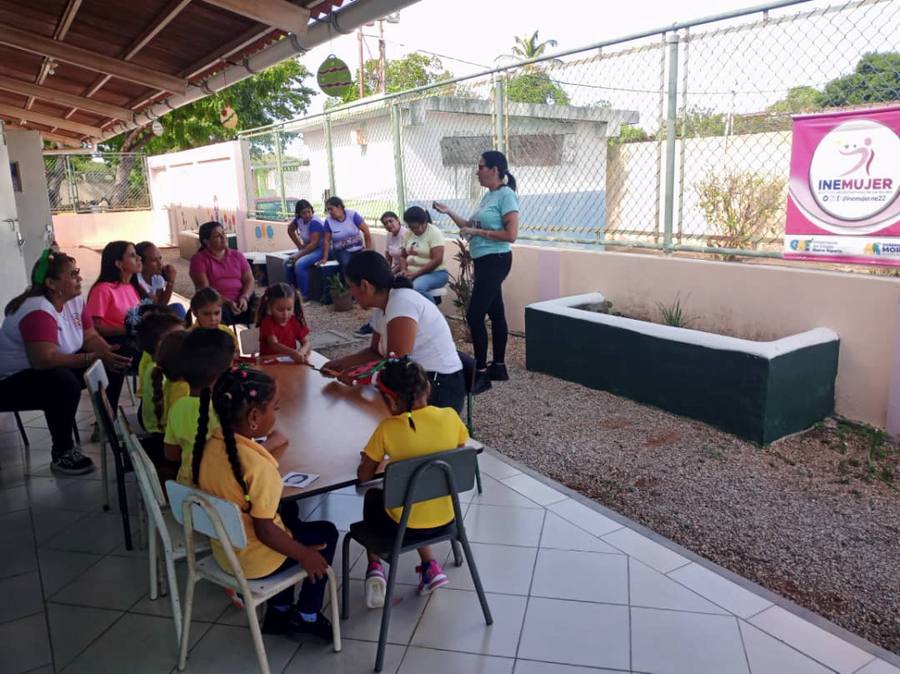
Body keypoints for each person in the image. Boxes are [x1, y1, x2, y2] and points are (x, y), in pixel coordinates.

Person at [193, 367, 338, 638]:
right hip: (256, 562)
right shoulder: (259, 469)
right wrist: (305, 555)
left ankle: (279, 612)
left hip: (225, 551)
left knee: (290, 509)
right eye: (276, 408)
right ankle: (307, 614)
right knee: (326, 533)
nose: (277, 414)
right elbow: (266, 531)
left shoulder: (209, 444)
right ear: (255, 417)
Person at [0, 249, 130, 474]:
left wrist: (106, 353)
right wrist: (91, 358)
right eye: (73, 274)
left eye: (77, 272)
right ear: (52, 283)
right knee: (62, 381)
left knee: (114, 363)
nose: (79, 278)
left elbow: (90, 336)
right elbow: (43, 360)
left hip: (44, 372)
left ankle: (107, 425)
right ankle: (62, 452)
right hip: (10, 382)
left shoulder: (74, 301)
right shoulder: (38, 310)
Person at [357, 356, 469, 607]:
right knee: (417, 496)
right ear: (427, 388)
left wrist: (374, 460)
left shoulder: (388, 428)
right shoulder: (451, 416)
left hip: (402, 529)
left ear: (389, 398)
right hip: (448, 519)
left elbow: (364, 478)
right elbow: (458, 454)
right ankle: (430, 566)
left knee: (373, 497)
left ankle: (375, 566)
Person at [322, 251, 465, 413]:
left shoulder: (401, 302)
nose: (351, 293)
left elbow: (396, 365)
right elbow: (375, 353)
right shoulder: (383, 307)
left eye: (350, 286)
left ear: (364, 286)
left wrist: (358, 375)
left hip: (437, 387)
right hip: (416, 382)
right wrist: (342, 363)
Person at [434, 150, 519, 392]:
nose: (477, 171)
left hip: (497, 259)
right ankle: (499, 367)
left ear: (494, 170)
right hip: (484, 260)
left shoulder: (506, 196)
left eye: (480, 166)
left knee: (474, 315)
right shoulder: (488, 197)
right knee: (496, 312)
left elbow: (511, 235)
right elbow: (468, 226)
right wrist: (448, 211)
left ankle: (480, 373)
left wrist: (478, 233)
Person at [163, 328, 234, 485]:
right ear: (226, 372)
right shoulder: (225, 411)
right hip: (220, 496)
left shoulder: (178, 406)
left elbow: (171, 454)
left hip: (186, 496)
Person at [85, 240, 146, 410]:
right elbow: (95, 327)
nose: (139, 258)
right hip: (114, 343)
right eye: (133, 255)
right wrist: (129, 329)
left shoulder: (132, 287)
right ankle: (107, 416)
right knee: (126, 355)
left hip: (134, 340)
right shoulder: (104, 289)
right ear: (119, 263)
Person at [134, 310, 185, 480]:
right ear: (161, 345)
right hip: (172, 451)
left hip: (157, 437)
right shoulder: (176, 380)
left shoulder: (153, 369)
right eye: (179, 337)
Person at [189, 221, 257, 325]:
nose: (224, 237)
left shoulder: (237, 256)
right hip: (218, 303)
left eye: (224, 233)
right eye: (218, 236)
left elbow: (249, 280)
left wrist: (244, 297)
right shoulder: (199, 259)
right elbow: (205, 290)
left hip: (242, 300)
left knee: (266, 307)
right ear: (206, 242)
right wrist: (227, 302)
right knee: (216, 313)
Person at [354, 211, 406, 338]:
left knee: (384, 291)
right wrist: (384, 270)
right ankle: (375, 323)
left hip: (405, 269)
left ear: (398, 220)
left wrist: (390, 273)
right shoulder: (389, 235)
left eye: (391, 221)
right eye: (385, 223)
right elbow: (388, 257)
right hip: (395, 269)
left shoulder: (405, 234)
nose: (389, 225)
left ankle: (375, 324)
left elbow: (405, 258)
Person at [400, 206, 449, 302]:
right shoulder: (408, 234)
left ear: (424, 222)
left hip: (436, 273)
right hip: (412, 273)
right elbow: (402, 256)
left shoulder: (434, 232)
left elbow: (437, 259)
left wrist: (416, 274)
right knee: (394, 287)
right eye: (410, 227)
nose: (414, 230)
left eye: (416, 227)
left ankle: (432, 315)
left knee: (417, 287)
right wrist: (403, 270)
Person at [257, 282, 310, 364]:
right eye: (280, 310)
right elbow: (274, 344)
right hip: (269, 364)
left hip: (289, 363)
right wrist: (293, 353)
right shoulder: (267, 322)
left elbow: (306, 342)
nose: (285, 314)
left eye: (289, 309)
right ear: (270, 307)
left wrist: (301, 352)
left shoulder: (294, 321)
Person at [284, 199, 326, 300]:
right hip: (308, 248)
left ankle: (304, 296)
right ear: (299, 214)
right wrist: (299, 245)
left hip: (320, 249)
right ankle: (292, 292)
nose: (307, 215)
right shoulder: (298, 220)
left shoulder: (315, 222)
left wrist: (298, 255)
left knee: (300, 264)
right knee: (287, 263)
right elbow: (290, 229)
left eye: (309, 212)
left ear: (312, 211)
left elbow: (314, 244)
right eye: (303, 213)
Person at [318, 196, 372, 270]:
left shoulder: (352, 215)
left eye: (331, 209)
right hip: (342, 251)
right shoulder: (328, 221)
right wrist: (325, 258)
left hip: (358, 248)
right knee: (347, 265)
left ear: (339, 206)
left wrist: (368, 249)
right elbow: (326, 241)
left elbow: (366, 231)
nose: (329, 212)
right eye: (328, 210)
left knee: (363, 264)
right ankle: (347, 281)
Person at [135, 241, 185, 319]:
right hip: (143, 316)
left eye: (160, 258)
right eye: (154, 260)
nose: (160, 263)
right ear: (141, 264)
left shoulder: (157, 278)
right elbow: (156, 306)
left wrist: (170, 282)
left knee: (178, 307)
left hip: (155, 312)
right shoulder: (137, 280)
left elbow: (162, 304)